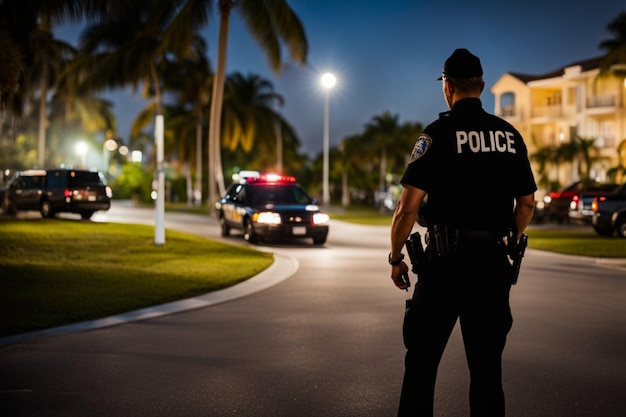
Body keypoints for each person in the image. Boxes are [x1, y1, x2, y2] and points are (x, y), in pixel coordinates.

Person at [388, 48, 537, 417]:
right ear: (482, 86)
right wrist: (512, 241)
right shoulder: (509, 136)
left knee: (421, 364)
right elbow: (528, 203)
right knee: (487, 371)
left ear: (448, 87)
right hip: (491, 265)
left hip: (443, 266)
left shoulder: (436, 134)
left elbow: (407, 207)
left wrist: (395, 259)